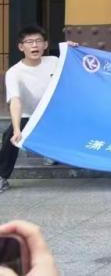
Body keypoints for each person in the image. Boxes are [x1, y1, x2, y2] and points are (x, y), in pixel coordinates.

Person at [1, 27, 58, 193]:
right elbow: (15, 101)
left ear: (45, 45)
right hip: (30, 116)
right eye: (29, 42)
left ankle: (52, 151)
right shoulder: (14, 72)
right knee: (10, 136)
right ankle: (2, 176)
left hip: (54, 115)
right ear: (21, 47)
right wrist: (17, 129)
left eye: (39, 41)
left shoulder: (54, 61)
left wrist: (72, 48)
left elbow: (75, 66)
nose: (35, 45)